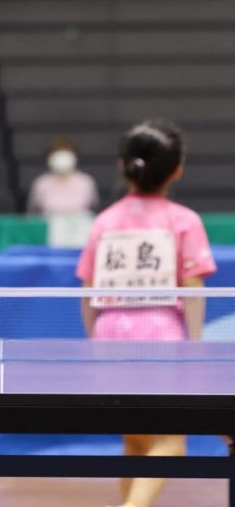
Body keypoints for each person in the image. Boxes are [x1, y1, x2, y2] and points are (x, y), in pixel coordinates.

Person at [76, 120, 215, 507]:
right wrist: (196, 347)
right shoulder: (184, 220)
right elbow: (192, 288)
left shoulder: (103, 222)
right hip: (160, 339)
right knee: (171, 442)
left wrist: (93, 345)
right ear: (177, 169)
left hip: (109, 336)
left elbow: (88, 293)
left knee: (136, 440)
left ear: (124, 167)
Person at [27, 137, 99, 216]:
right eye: (57, 153)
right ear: (49, 157)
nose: (62, 158)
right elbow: (33, 213)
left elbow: (93, 209)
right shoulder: (41, 183)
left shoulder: (85, 181)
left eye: (67, 153)